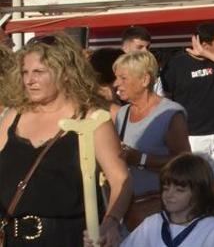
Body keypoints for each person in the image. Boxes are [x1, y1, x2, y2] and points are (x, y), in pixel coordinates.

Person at [0, 33, 132, 247]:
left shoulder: (92, 120)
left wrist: (110, 223)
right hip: (12, 237)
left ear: (66, 74)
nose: (29, 80)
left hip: (68, 237)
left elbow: (121, 181)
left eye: (39, 72)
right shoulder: (14, 116)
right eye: (25, 72)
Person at [159, 23, 214, 219]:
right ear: (205, 42)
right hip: (192, 134)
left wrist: (207, 53)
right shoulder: (177, 64)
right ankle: (194, 228)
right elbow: (167, 96)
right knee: (193, 185)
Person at [111, 51, 191, 230]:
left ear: (145, 80)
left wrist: (140, 159)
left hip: (161, 210)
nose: (117, 84)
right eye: (116, 78)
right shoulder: (122, 113)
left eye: (123, 78)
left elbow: (184, 163)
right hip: (129, 212)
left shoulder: (170, 113)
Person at [112, 154, 214, 247]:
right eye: (166, 188)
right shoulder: (153, 223)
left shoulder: (211, 228)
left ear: (198, 193)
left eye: (179, 190)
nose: (169, 194)